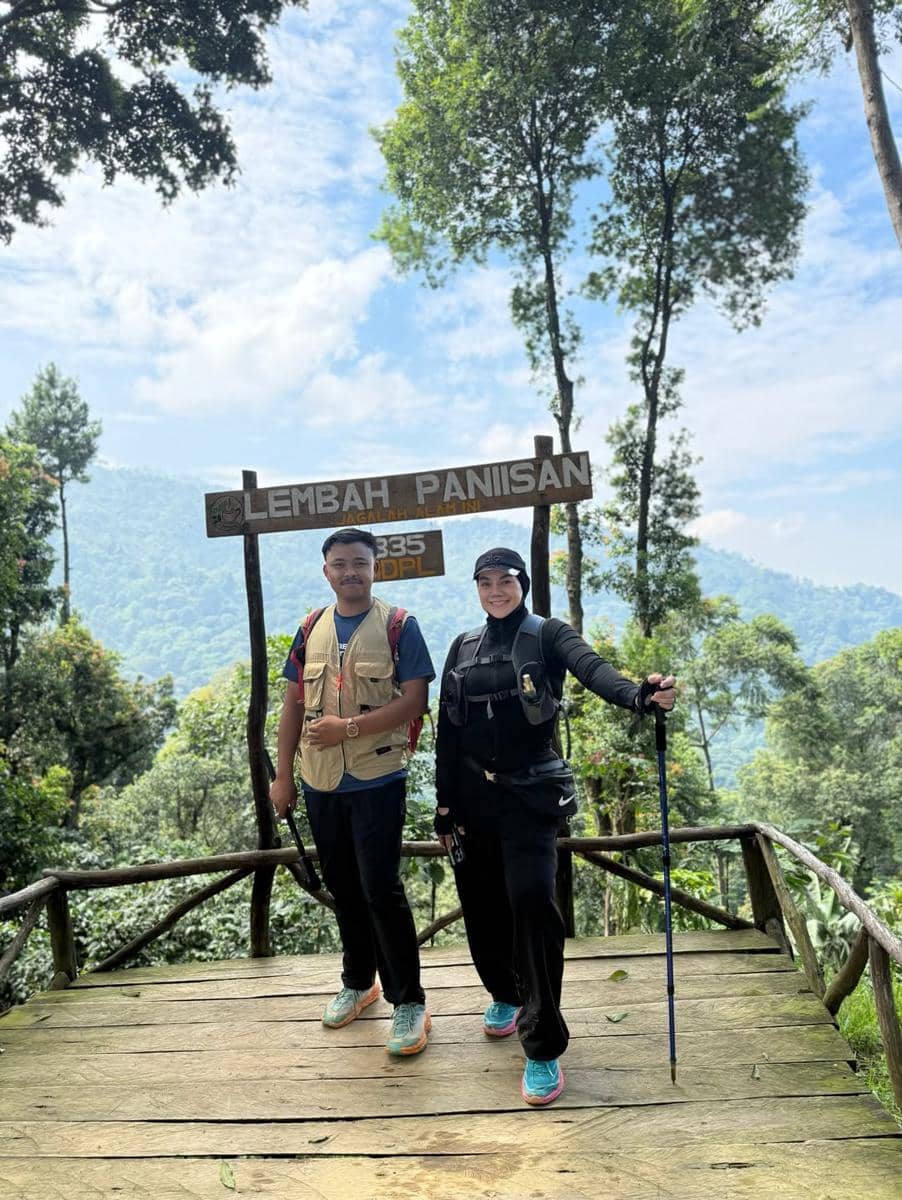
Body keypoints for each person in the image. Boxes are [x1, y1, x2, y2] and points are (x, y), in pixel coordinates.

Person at [434, 547, 675, 1106]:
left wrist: (639, 695)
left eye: (506, 580)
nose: (496, 590)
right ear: (476, 588)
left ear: (522, 583)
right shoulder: (462, 647)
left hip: (532, 799)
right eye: (485, 582)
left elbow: (594, 671)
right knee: (482, 904)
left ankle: (543, 1046)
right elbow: (448, 730)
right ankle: (505, 992)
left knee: (533, 903)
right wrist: (446, 806)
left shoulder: (548, 635)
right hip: (472, 801)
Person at [270, 528, 435, 1056]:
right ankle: (359, 981)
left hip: (377, 777)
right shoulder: (309, 628)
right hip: (320, 780)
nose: (350, 572)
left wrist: (350, 730)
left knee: (381, 888)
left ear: (375, 568)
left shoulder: (399, 626)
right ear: (326, 571)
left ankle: (409, 1002)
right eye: (339, 564)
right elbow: (294, 704)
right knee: (343, 884)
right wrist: (281, 777)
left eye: (359, 563)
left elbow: (414, 702)